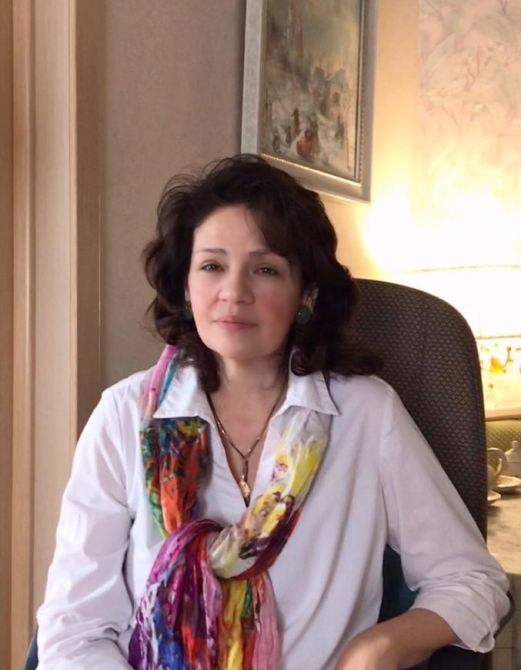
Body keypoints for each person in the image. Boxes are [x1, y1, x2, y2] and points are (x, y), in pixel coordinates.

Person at [37, 154, 510, 670]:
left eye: (265, 270)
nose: (234, 293)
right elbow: (74, 629)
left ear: (306, 293)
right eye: (212, 266)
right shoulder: (126, 417)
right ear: (186, 288)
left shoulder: (365, 414)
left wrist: (380, 647)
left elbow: (472, 581)